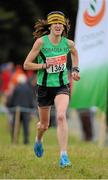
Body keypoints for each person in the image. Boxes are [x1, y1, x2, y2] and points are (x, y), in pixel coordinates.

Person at [23, 11, 80, 167]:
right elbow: (26, 64)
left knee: (61, 116)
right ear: (49, 26)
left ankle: (63, 156)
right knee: (44, 125)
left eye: (60, 23)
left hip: (62, 85)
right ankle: (39, 139)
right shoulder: (41, 43)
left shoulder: (68, 43)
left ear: (63, 26)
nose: (57, 25)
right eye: (54, 23)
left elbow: (75, 54)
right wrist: (43, 65)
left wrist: (75, 70)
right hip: (44, 87)